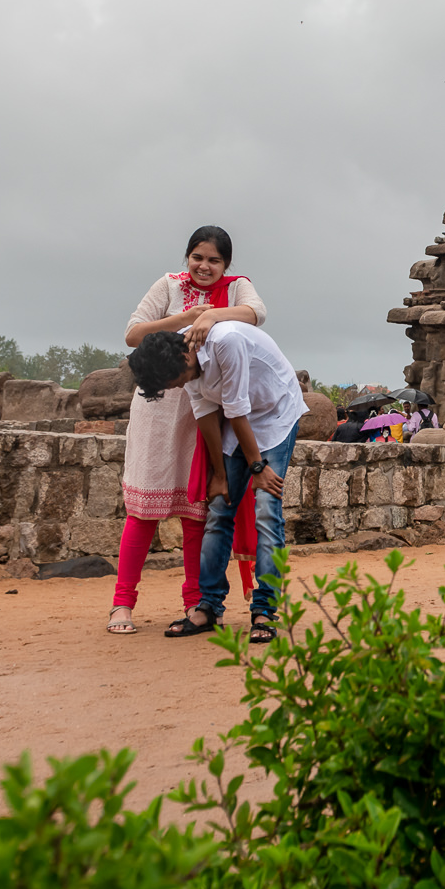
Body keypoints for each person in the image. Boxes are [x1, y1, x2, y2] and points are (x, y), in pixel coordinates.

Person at [104, 226, 265, 635]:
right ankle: (122, 604)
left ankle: (195, 601)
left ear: (226, 264)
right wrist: (186, 318)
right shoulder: (169, 286)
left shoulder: (237, 287)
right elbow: (132, 333)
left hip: (206, 412)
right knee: (143, 511)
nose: (204, 267)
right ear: (186, 258)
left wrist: (212, 314)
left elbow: (255, 314)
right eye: (197, 257)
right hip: (159, 408)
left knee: (198, 512)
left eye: (214, 260)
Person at [129, 321, 307, 644]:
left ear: (183, 361)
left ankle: (265, 609)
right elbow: (205, 412)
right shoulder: (184, 357)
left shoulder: (226, 343)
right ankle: (209, 607)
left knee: (266, 508)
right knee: (220, 508)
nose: (172, 388)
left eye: (171, 382)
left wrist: (258, 468)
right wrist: (220, 476)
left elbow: (237, 410)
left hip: (275, 412)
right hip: (240, 419)